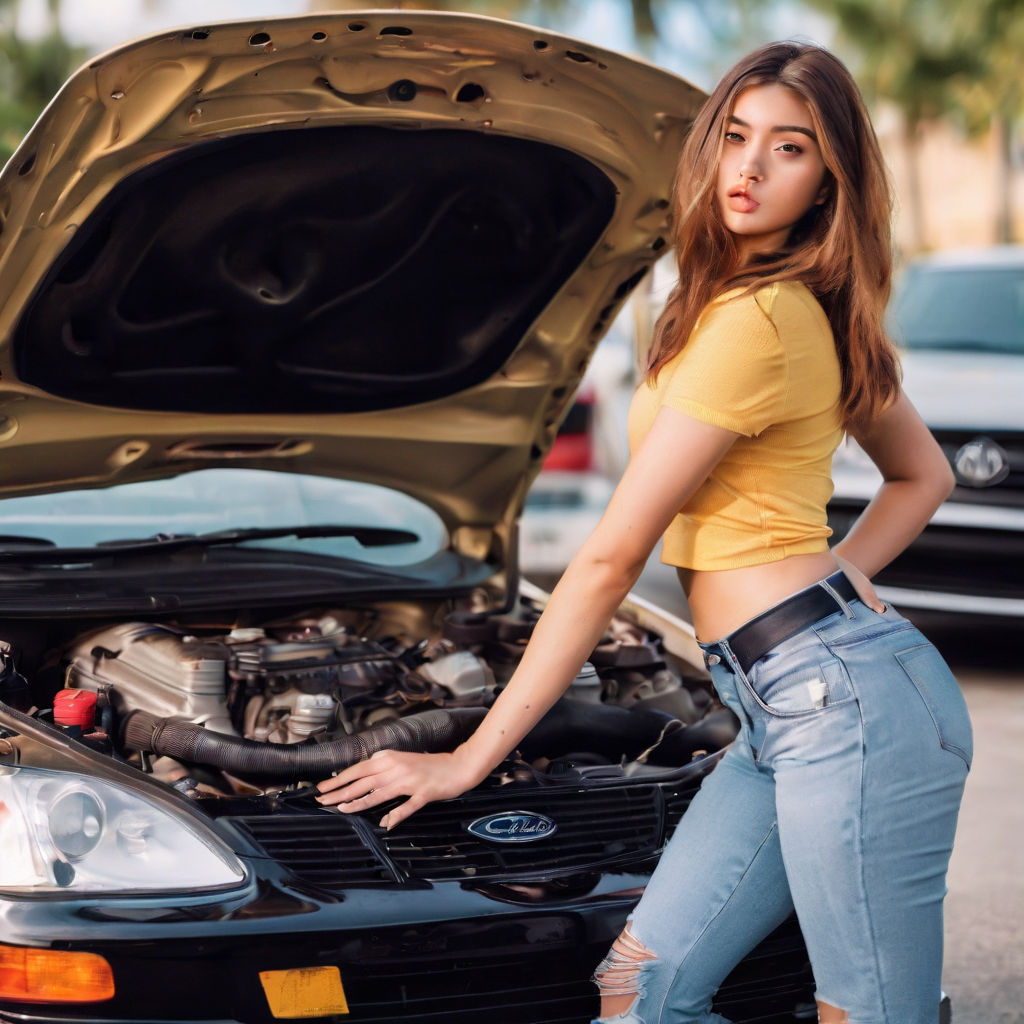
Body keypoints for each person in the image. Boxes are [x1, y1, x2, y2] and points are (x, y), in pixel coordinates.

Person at [316, 41, 971, 1024]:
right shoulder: (750, 307)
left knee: (866, 1013)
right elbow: (923, 476)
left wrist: (471, 757)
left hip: (844, 705)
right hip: (776, 701)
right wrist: (836, 576)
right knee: (642, 989)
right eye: (736, 138)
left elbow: (610, 557)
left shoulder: (765, 318)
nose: (748, 169)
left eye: (789, 149)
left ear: (830, 179)